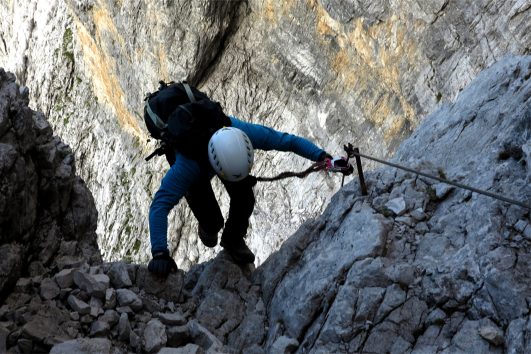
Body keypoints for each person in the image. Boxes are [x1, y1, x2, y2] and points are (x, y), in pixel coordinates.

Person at [146, 112, 339, 276]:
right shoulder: (187, 167)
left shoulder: (239, 132)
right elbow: (159, 205)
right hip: (194, 158)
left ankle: (233, 239)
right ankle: (209, 228)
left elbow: (287, 141)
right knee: (212, 223)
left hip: (220, 153)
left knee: (244, 195)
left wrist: (324, 158)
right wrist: (160, 253)